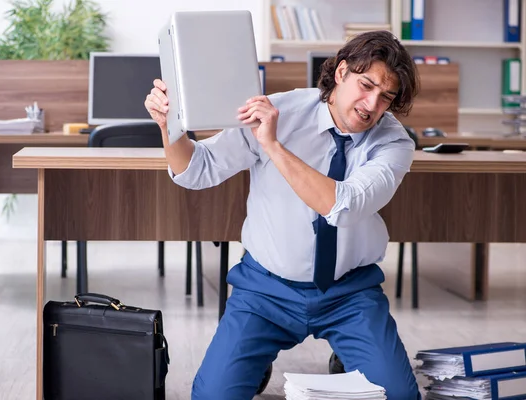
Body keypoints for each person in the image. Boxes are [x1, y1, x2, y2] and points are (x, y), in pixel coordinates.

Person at [144, 30, 421, 400]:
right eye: (366, 85)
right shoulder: (281, 110)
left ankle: (349, 353)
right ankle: (258, 355)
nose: (371, 104)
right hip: (265, 288)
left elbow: (345, 204)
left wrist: (272, 146)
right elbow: (197, 170)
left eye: (385, 97)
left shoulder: (393, 141)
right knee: (213, 395)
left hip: (349, 292)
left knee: (399, 396)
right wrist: (169, 125)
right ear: (341, 73)